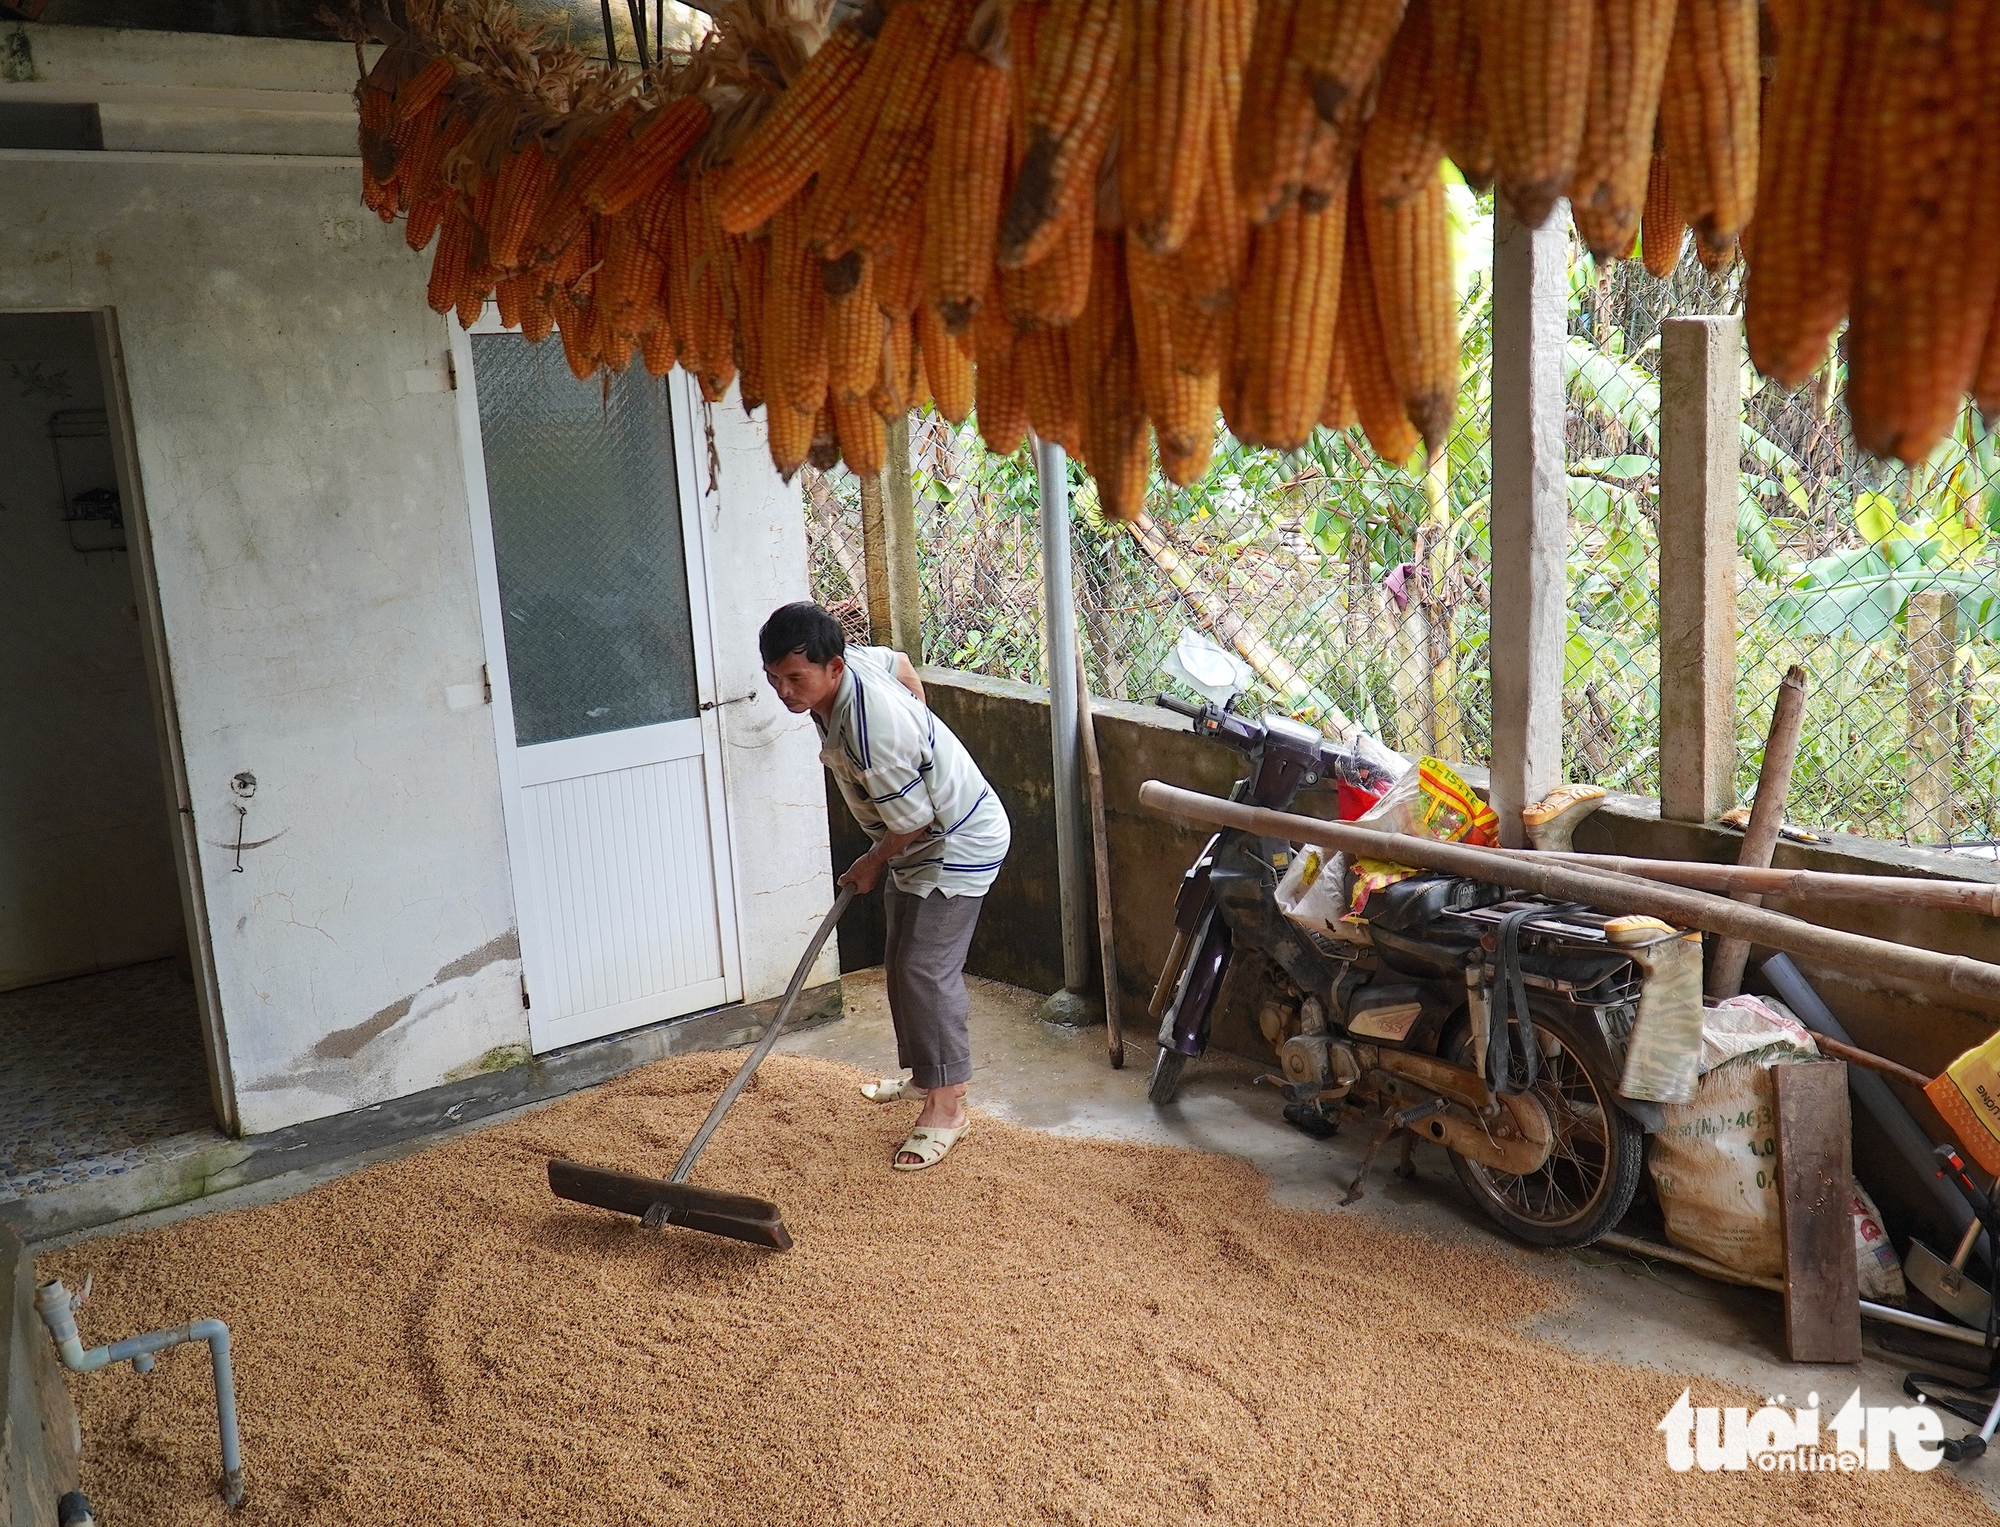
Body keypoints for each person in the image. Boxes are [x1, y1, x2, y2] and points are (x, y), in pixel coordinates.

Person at [759, 601, 1010, 1172]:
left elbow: (914, 820)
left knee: (925, 970)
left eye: (796, 679)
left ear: (833, 668)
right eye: (775, 678)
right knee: (901, 961)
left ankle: (948, 1106)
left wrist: (871, 862)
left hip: (956, 840)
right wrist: (922, 726)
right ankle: (927, 1075)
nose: (785, 692)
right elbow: (899, 662)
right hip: (918, 839)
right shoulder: (855, 666)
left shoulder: (873, 736)